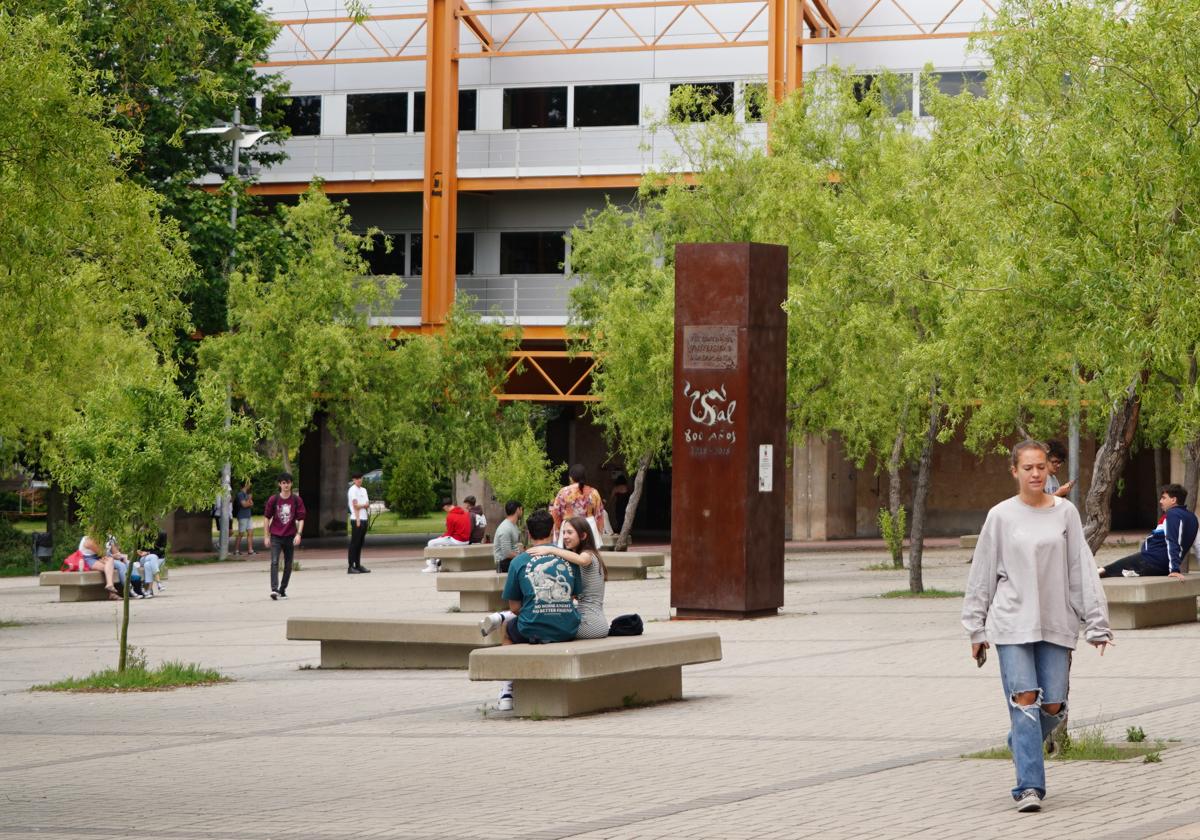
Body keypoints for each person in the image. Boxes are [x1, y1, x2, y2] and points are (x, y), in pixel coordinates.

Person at [962, 439, 1113, 813]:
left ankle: (1020, 741)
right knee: (1026, 699)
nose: (1035, 473)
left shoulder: (1065, 513)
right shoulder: (1000, 516)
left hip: (1056, 621)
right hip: (1012, 622)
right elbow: (981, 575)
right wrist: (976, 630)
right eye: (1027, 467)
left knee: (1054, 706)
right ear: (1014, 471)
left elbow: (1080, 568)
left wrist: (1097, 623)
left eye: (1041, 467)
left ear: (1049, 469)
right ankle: (1029, 787)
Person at [478, 509, 579, 710]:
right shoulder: (569, 558)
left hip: (532, 627)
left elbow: (515, 606)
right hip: (567, 628)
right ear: (553, 531)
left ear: (529, 534)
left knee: (507, 628)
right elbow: (574, 596)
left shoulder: (518, 562)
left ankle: (507, 690)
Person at [528, 514, 607, 640]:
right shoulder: (579, 558)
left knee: (542, 629)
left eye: (570, 532)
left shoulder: (589, 555)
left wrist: (551, 549)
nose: (565, 536)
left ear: (583, 536)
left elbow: (583, 560)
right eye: (563, 532)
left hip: (589, 625)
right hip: (595, 622)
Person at [1098, 483, 1197, 580]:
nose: (1160, 501)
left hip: (1151, 561)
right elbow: (1198, 544)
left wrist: (1174, 569)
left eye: (1163, 498)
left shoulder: (1173, 514)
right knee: (1116, 571)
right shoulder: (1193, 518)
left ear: (1173, 500)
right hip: (1159, 564)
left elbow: (1173, 540)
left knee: (1106, 570)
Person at [263, 472, 306, 600]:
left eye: (288, 482)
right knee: (274, 562)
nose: (286, 485)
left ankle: (282, 589)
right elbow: (266, 518)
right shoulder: (273, 499)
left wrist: (299, 534)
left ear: (291, 484)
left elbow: (301, 518)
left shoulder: (296, 500)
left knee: (288, 564)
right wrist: (266, 536)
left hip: (290, 535)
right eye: (283, 483)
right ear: (279, 484)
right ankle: (274, 589)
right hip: (276, 535)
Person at [549, 464, 605, 541]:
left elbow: (555, 513)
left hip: (568, 527)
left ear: (571, 478)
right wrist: (599, 531)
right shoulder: (593, 492)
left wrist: (559, 529)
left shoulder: (563, 492)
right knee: (588, 552)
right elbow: (599, 514)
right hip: (589, 528)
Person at [423, 497, 471, 572]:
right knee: (441, 543)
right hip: (466, 540)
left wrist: (440, 537)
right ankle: (436, 561)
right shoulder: (464, 512)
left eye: (444, 508)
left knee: (431, 543)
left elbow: (449, 533)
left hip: (457, 540)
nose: (444, 510)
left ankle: (433, 566)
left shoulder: (450, 516)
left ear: (446, 506)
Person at [346, 472, 371, 574]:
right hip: (357, 519)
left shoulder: (364, 490)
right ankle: (351, 566)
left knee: (360, 543)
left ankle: (358, 565)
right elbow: (355, 506)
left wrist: (363, 505)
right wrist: (357, 519)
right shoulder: (352, 490)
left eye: (360, 478)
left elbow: (367, 504)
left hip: (364, 518)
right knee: (354, 543)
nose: (359, 480)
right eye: (357, 478)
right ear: (353, 480)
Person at [492, 501, 524, 573]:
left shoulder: (513, 525)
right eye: (521, 509)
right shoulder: (505, 528)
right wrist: (522, 557)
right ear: (518, 510)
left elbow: (516, 546)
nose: (522, 512)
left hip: (511, 560)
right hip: (502, 563)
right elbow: (507, 553)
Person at [233, 479, 256, 556]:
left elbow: (251, 504)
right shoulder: (240, 494)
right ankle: (236, 550)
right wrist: (249, 500)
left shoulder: (246, 494)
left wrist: (249, 501)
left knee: (250, 532)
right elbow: (244, 505)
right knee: (241, 533)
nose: (250, 484)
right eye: (249, 483)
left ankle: (250, 550)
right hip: (242, 516)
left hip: (248, 516)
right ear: (246, 485)